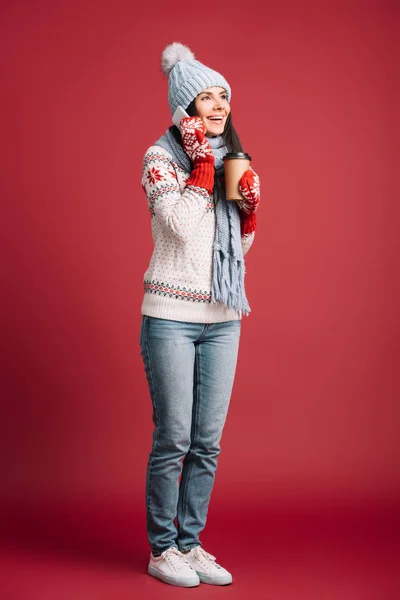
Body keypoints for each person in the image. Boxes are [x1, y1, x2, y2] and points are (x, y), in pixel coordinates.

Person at [139, 42, 261, 587]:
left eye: (224, 96)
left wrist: (250, 214)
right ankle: (162, 549)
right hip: (169, 314)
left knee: (208, 440)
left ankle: (191, 544)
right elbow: (182, 228)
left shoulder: (236, 156)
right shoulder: (160, 158)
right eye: (206, 97)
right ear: (184, 106)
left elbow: (232, 251)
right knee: (175, 438)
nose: (218, 105)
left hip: (223, 317)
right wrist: (204, 164)